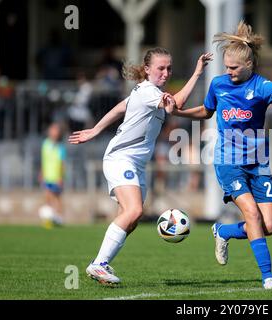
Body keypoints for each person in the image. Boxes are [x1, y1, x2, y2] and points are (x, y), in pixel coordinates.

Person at [171, 21, 272, 289]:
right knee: (253, 216)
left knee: (269, 225)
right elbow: (206, 111)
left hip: (258, 163)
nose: (228, 71)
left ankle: (223, 231)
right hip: (228, 162)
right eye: (226, 66)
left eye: (234, 67)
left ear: (249, 65)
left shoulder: (262, 86)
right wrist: (180, 112)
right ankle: (268, 278)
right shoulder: (219, 84)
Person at [68, 48, 212, 285]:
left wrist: (95, 129)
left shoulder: (146, 91)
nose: (166, 73)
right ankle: (98, 264)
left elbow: (120, 107)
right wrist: (197, 73)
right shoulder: (148, 91)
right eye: (161, 68)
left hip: (134, 163)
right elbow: (175, 105)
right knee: (134, 211)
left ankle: (102, 264)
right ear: (147, 70)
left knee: (131, 219)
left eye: (169, 68)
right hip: (121, 158)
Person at [39, 122, 66, 228]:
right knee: (47, 197)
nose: (53, 132)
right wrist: (41, 172)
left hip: (56, 177)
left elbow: (62, 164)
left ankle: (59, 218)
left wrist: (61, 177)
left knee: (57, 198)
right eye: (52, 130)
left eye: (55, 130)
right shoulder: (45, 144)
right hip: (47, 176)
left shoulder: (60, 147)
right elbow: (44, 160)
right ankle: (48, 219)